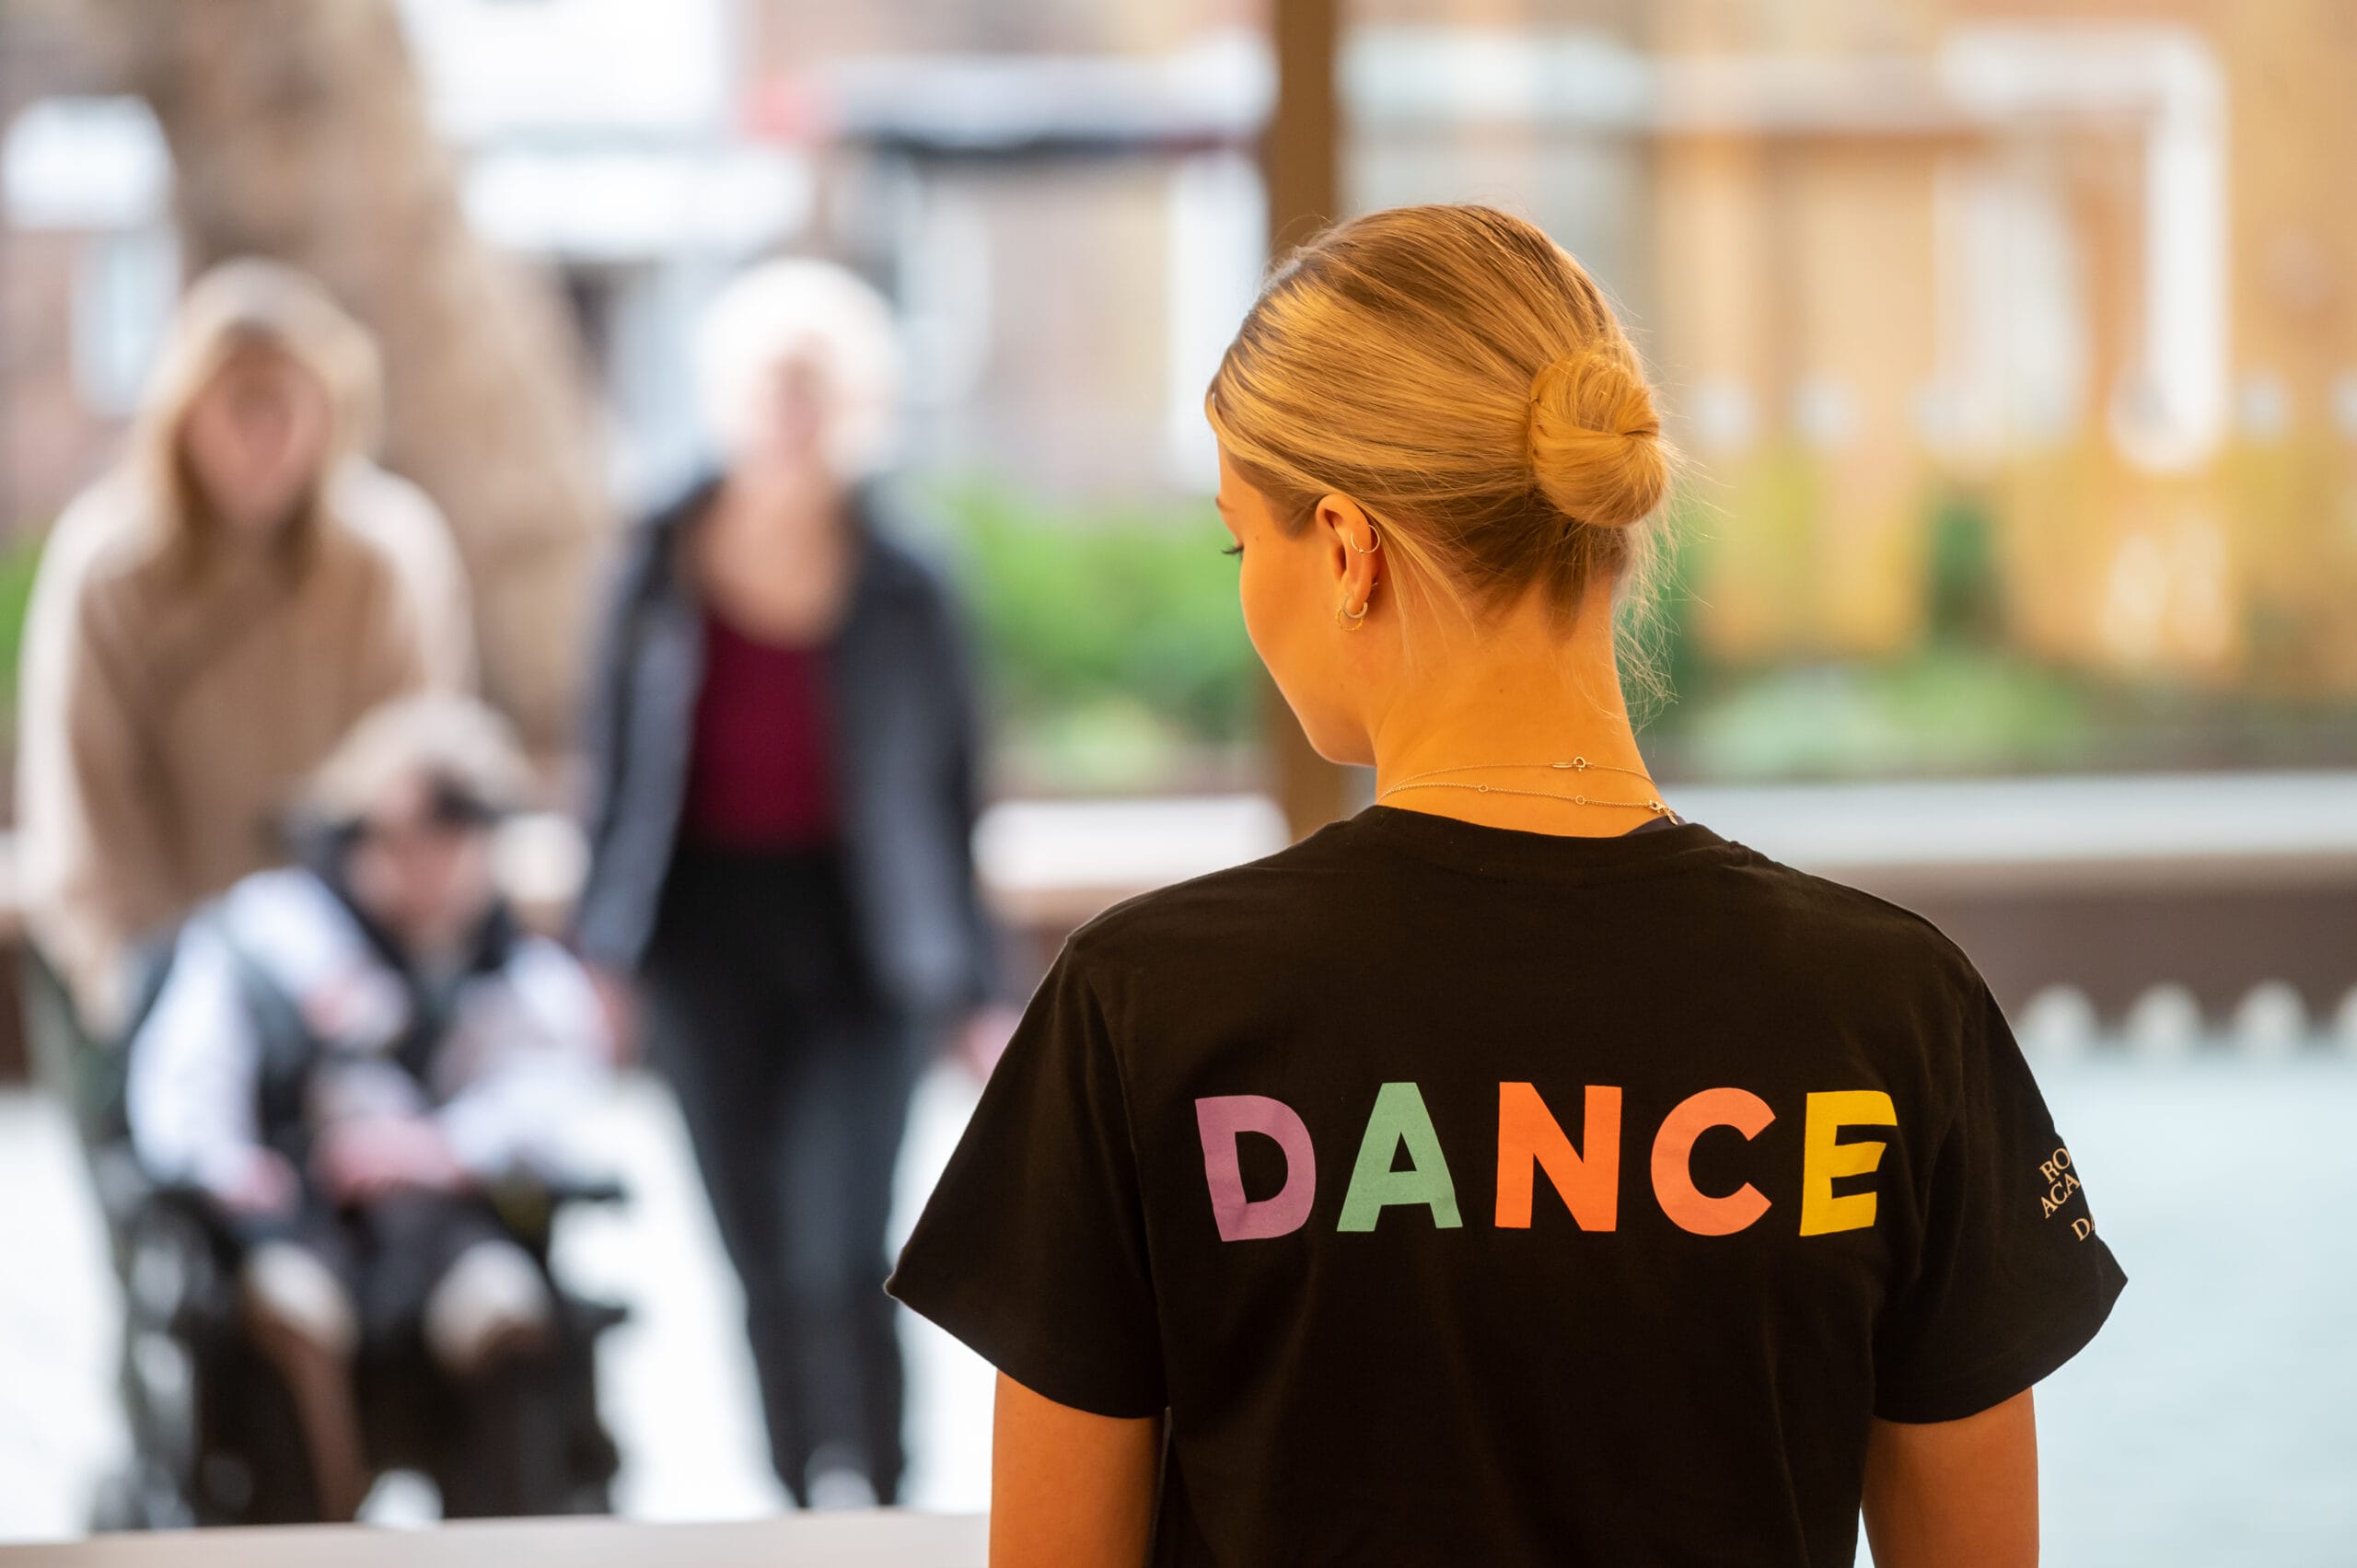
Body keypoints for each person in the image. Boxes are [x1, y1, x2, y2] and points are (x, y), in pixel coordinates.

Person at [887, 205, 2127, 1567]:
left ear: (1350, 548)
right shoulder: (1893, 1004)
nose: (1250, 597)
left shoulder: (1143, 1007)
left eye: (1248, 545)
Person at [575, 258, 1009, 1509]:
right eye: (773, 386)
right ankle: (789, 1500)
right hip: (698, 934)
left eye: (817, 389)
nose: (793, 413)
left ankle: (875, 1489)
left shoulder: (910, 576)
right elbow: (610, 767)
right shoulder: (659, 554)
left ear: (859, 404)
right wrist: (597, 954)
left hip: (866, 939)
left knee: (843, 1239)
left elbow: (957, 797)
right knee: (755, 1251)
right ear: (729, 396)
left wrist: (983, 991)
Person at [125, 693, 610, 1521]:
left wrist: (443, 1149)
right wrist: (226, 1164)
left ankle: (510, 1527)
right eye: (397, 839)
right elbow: (182, 1081)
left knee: (505, 1312)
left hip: (449, 1233)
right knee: (290, 1313)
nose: (425, 865)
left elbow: (559, 1097)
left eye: (450, 838)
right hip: (300, 1224)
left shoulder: (516, 977)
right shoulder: (268, 938)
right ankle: (317, 1523)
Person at [19, 257, 473, 1040]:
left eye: (288, 409)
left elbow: (416, 763)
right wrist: (141, 972)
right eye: (240, 408)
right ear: (185, 414)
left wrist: (369, 946)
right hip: (148, 960)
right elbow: (84, 794)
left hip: (345, 966)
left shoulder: (387, 557)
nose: (265, 440)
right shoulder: (113, 566)